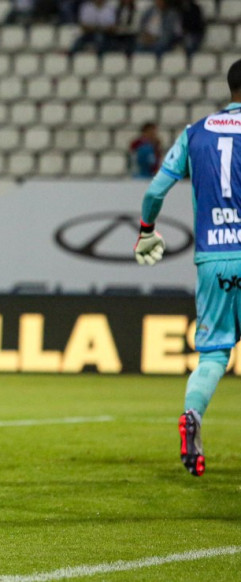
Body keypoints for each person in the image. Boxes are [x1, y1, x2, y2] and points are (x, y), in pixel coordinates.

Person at [133, 59, 241, 477]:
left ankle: (193, 414)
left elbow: (157, 188)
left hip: (214, 258)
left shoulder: (195, 132)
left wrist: (146, 230)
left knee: (214, 355)